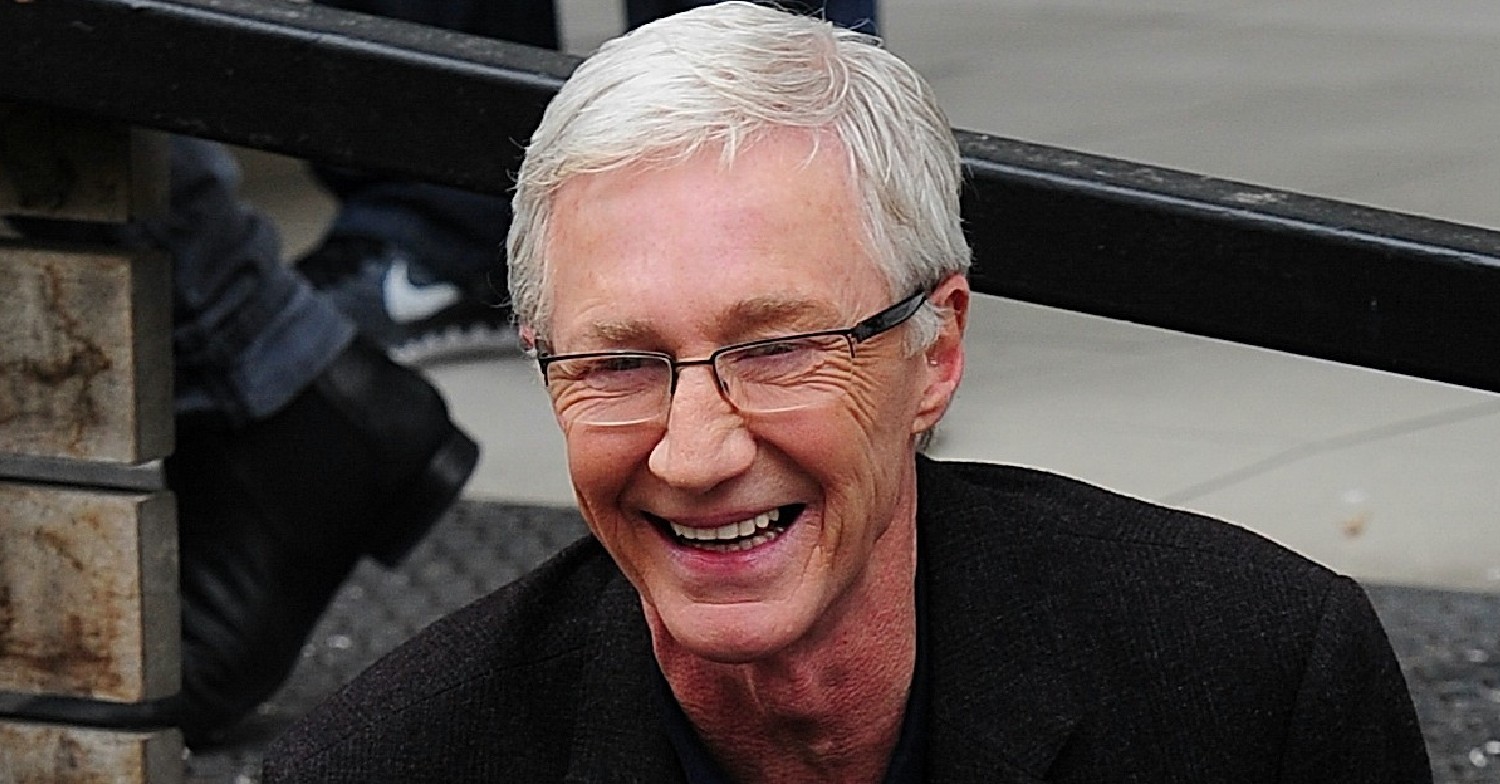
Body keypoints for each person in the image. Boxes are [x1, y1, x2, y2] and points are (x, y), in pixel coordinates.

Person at [264, 4, 1430, 781]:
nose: (695, 450)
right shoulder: (396, 762)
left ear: (935, 351)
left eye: (774, 348)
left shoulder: (1250, 688)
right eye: (619, 363)